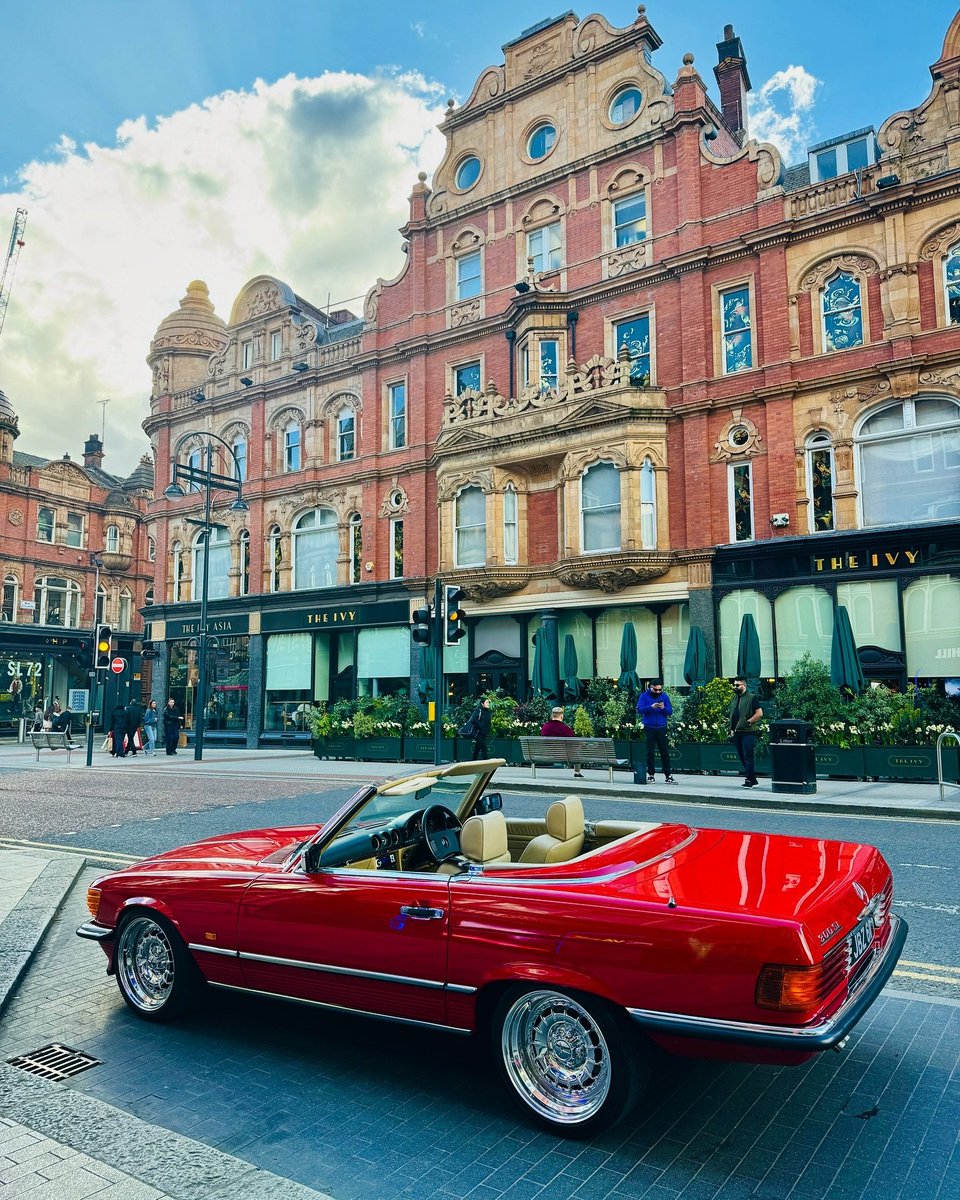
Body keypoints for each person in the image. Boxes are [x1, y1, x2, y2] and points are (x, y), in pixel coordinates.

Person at [637, 680, 676, 783]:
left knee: (665, 752)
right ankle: (651, 774)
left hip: (661, 727)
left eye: (660, 690)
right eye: (656, 689)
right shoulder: (644, 696)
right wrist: (651, 707)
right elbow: (639, 709)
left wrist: (663, 708)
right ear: (651, 687)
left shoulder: (664, 696)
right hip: (649, 727)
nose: (658, 692)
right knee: (650, 752)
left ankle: (668, 775)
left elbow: (670, 711)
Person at [729, 676, 763, 788]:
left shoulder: (752, 697)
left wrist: (748, 722)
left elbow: (759, 713)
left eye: (737, 685)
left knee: (748, 756)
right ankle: (753, 779)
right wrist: (731, 729)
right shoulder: (734, 699)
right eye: (734, 685)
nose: (735, 687)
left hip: (748, 732)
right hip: (737, 732)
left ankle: (749, 780)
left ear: (744, 685)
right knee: (742, 756)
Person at [540, 705, 583, 778]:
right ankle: (577, 772)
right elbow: (574, 742)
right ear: (561, 716)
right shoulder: (564, 728)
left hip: (546, 753)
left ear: (552, 715)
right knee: (576, 754)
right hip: (563, 755)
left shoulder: (545, 727)